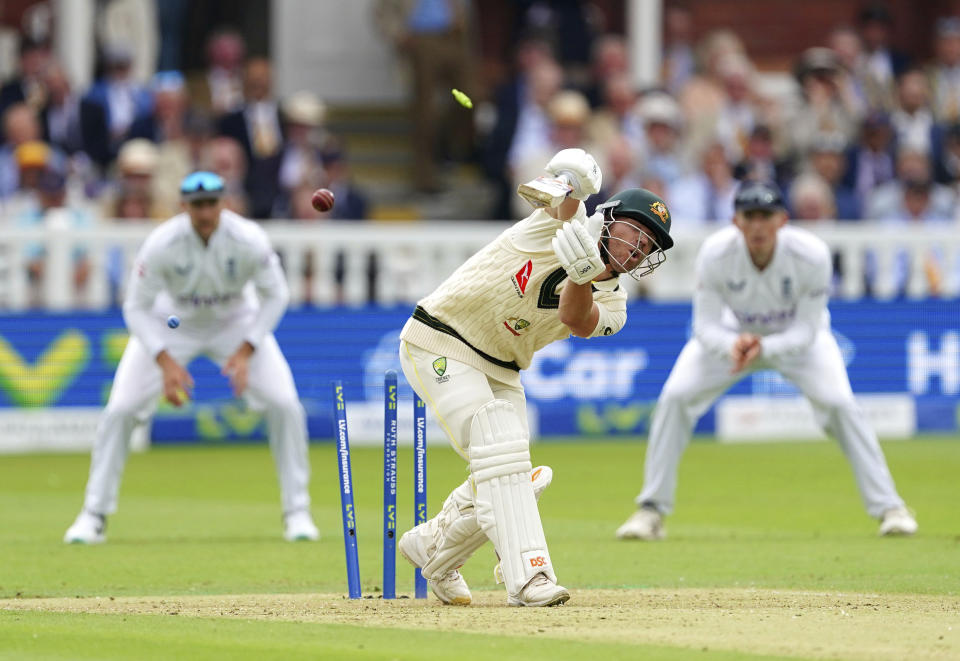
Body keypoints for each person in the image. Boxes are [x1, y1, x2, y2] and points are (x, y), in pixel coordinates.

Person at [395, 148, 675, 606]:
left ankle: (434, 551)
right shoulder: (566, 225)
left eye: (649, 245)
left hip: (503, 369)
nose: (638, 248)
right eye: (635, 232)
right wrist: (570, 177)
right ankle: (529, 577)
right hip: (441, 337)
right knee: (501, 447)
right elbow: (558, 199)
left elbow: (577, 319)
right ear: (609, 219)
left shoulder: (617, 305)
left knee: (508, 473)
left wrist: (582, 275)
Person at [615, 180, 918, 542]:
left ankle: (891, 508)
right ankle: (650, 511)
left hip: (798, 342)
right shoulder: (715, 253)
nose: (758, 225)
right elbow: (705, 326)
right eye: (750, 216)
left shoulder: (812, 255)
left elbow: (807, 330)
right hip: (733, 335)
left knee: (840, 404)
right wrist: (733, 345)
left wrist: (763, 348)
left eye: (766, 216)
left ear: (782, 220)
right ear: (736, 221)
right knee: (676, 397)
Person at [64, 171, 318, 544]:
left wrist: (247, 349)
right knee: (120, 409)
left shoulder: (248, 239)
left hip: (236, 319)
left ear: (224, 203)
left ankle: (297, 512)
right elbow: (135, 306)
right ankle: (94, 514)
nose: (205, 212)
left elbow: (276, 295)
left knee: (284, 404)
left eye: (211, 203)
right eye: (197, 204)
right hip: (173, 322)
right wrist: (165, 362)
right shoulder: (162, 243)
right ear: (183, 206)